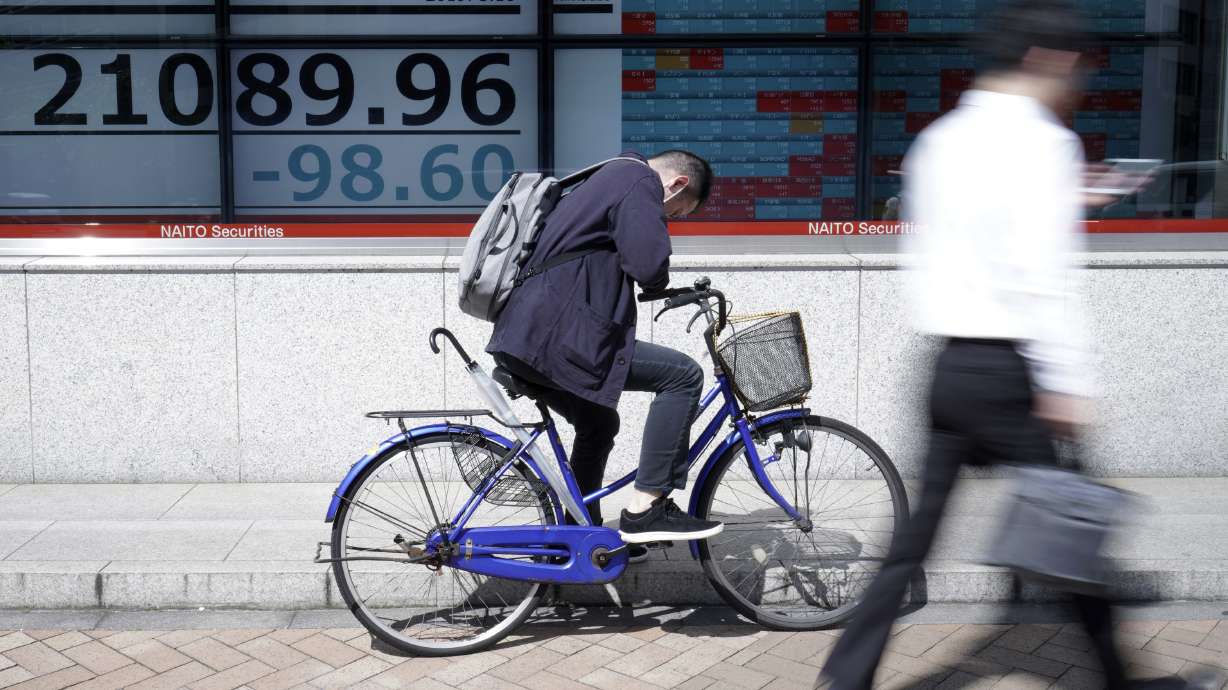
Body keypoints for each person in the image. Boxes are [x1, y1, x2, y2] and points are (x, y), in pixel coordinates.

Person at [816, 2, 1206, 689]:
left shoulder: (939, 139)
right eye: (1078, 71)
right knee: (1071, 528)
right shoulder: (1044, 144)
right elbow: (1044, 274)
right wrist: (1068, 380)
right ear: (1048, 59)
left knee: (913, 544)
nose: (1078, 87)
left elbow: (946, 244)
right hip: (1009, 373)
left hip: (948, 365)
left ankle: (844, 678)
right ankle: (1120, 679)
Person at [485, 149, 724, 548]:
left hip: (525, 336)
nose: (670, 218)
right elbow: (648, 267)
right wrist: (657, 275)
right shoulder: (639, 181)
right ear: (677, 184)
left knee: (599, 424)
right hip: (556, 336)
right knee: (683, 375)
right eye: (677, 212)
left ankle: (579, 538)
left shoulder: (603, 177)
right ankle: (647, 508)